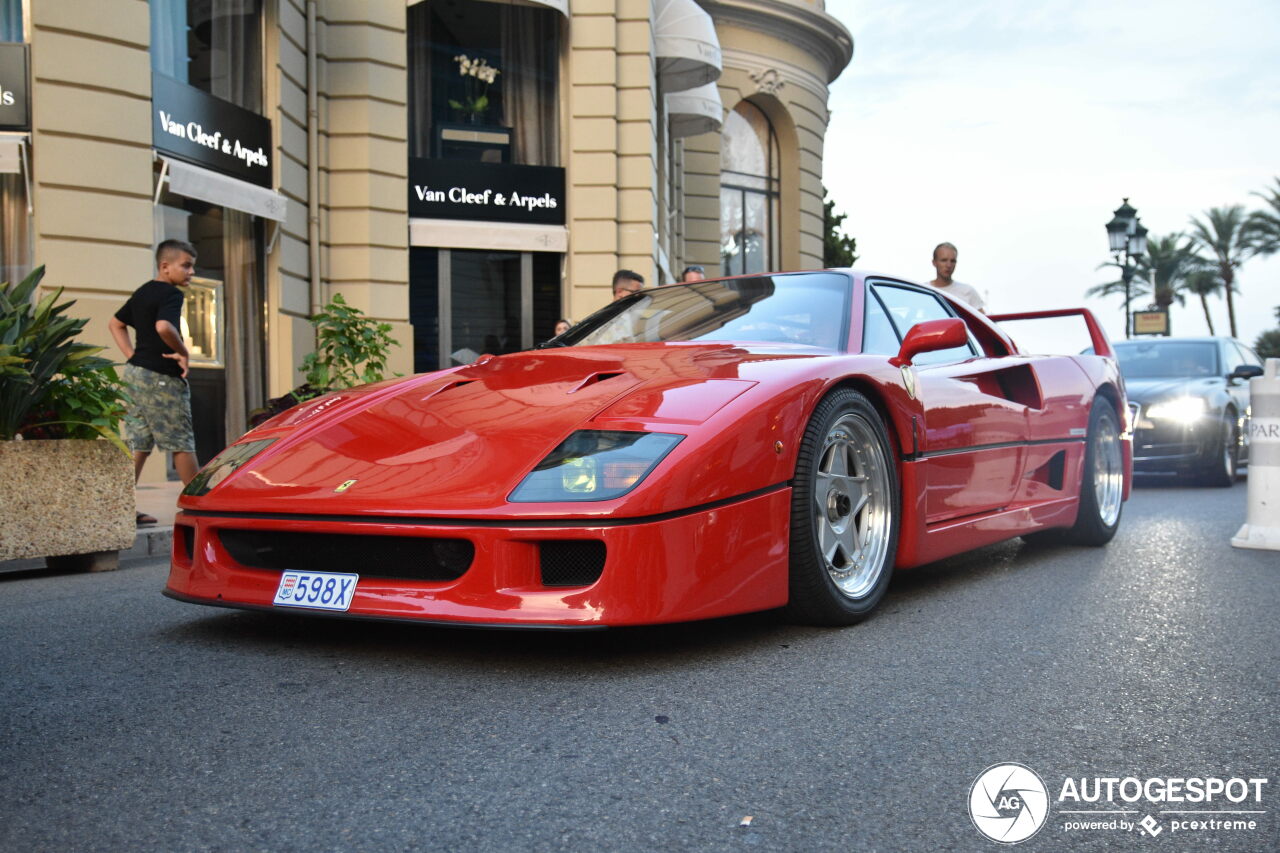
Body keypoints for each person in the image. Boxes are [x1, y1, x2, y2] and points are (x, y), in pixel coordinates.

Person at [108, 239, 199, 524]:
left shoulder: (143, 292)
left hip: (135, 375)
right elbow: (163, 326)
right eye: (186, 265)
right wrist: (183, 352)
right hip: (161, 377)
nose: (191, 272)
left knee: (139, 442)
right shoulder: (170, 294)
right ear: (165, 266)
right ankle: (202, 506)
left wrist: (132, 356)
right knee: (181, 440)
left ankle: (119, 509)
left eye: (192, 266)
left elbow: (115, 323)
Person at [926, 242, 985, 312]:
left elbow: (983, 319)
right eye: (944, 260)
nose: (948, 265)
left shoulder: (968, 291)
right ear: (934, 262)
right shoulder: (924, 290)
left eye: (953, 261)